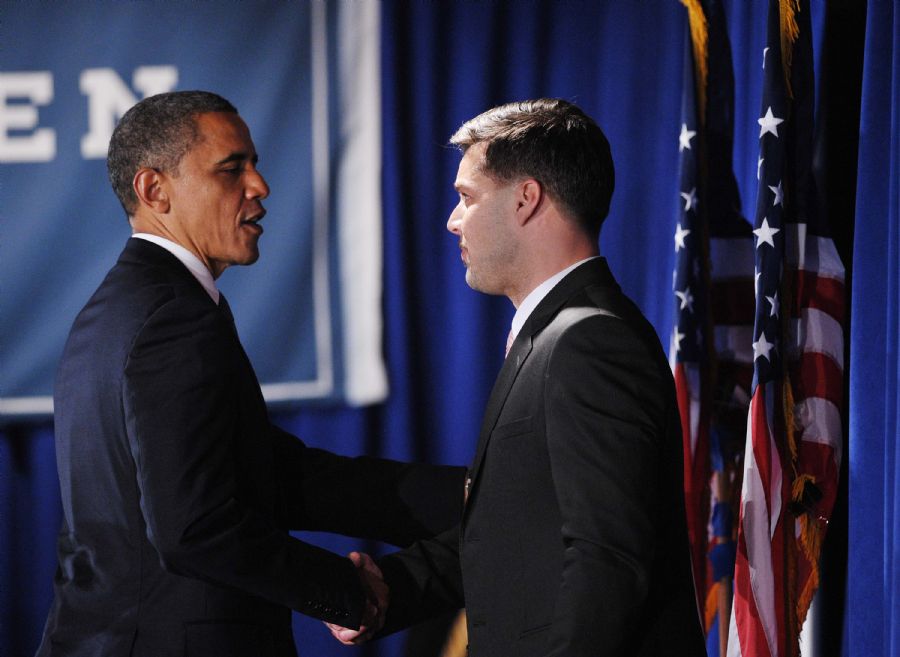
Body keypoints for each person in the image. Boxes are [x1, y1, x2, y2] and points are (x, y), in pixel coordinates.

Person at [36, 90, 464, 657]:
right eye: (231, 168)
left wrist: (468, 498)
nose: (259, 185)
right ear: (154, 189)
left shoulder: (120, 308)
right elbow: (195, 528)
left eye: (255, 164)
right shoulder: (172, 318)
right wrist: (347, 593)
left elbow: (267, 474)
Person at [329, 98, 706, 656]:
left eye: (466, 197)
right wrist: (392, 591)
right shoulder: (552, 336)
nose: (452, 219)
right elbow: (516, 531)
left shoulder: (590, 342)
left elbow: (607, 559)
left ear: (527, 200)